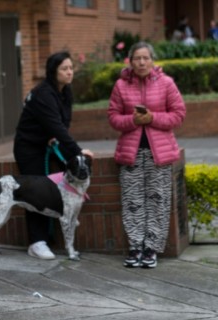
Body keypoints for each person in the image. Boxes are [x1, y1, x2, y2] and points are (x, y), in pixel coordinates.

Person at [107, 41, 186, 269]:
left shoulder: (166, 83)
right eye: (137, 58)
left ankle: (151, 249)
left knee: (158, 201)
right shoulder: (121, 86)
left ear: (152, 60)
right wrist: (132, 120)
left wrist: (152, 118)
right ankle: (135, 247)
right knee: (132, 202)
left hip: (158, 154)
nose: (141, 62)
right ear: (130, 61)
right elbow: (113, 117)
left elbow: (178, 115)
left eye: (145, 58)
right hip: (131, 153)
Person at [13, 51, 94, 260]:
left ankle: (63, 223)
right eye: (64, 69)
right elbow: (57, 127)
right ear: (53, 72)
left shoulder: (65, 91)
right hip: (29, 148)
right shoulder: (44, 94)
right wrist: (78, 153)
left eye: (71, 68)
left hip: (47, 144)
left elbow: (62, 124)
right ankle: (37, 242)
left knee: (61, 184)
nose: (69, 72)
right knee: (36, 191)